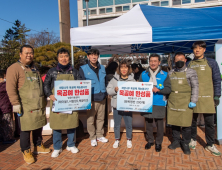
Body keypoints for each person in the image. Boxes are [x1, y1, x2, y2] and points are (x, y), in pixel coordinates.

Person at [6, 45, 50, 164]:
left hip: (37, 103)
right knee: (25, 129)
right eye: (26, 53)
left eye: (31, 53)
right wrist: (15, 103)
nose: (29, 55)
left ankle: (38, 145)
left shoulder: (34, 68)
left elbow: (40, 84)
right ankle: (25, 150)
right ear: (20, 54)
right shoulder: (14, 68)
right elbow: (10, 88)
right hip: (25, 105)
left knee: (38, 125)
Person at [43, 48, 79, 157]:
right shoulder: (52, 71)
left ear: (69, 57)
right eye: (61, 56)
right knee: (57, 125)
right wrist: (49, 94)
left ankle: (71, 144)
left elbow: (81, 85)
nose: (64, 58)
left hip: (71, 102)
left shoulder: (75, 71)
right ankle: (57, 147)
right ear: (58, 58)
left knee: (71, 124)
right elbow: (46, 85)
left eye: (66, 56)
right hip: (57, 102)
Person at [187, 41, 221, 156]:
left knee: (210, 123)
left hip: (208, 97)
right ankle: (193, 139)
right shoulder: (189, 64)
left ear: (204, 50)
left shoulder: (211, 62)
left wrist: (217, 95)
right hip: (193, 98)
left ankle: (210, 144)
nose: (197, 50)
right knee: (192, 121)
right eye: (195, 48)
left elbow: (217, 80)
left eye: (200, 48)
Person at [167, 52, 199, 155]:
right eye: (177, 60)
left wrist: (193, 101)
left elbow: (195, 87)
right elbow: (167, 87)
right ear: (174, 61)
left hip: (186, 101)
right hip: (173, 101)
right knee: (174, 123)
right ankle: (176, 141)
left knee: (186, 124)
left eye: (181, 59)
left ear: (185, 60)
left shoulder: (191, 72)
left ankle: (185, 143)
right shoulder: (170, 72)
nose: (179, 61)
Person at [139, 54, 171, 152]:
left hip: (159, 103)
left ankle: (158, 143)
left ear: (159, 62)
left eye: (155, 61)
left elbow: (168, 89)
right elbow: (139, 87)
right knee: (148, 123)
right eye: (151, 61)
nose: (153, 63)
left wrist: (158, 90)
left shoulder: (165, 74)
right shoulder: (143, 74)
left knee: (159, 125)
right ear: (149, 62)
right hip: (146, 103)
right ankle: (150, 141)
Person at [78, 48, 108, 146]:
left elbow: (105, 81)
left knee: (101, 118)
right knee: (90, 119)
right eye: (91, 55)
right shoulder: (83, 68)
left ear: (98, 56)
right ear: (88, 56)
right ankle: (92, 137)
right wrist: (87, 99)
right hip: (91, 98)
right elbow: (81, 85)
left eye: (95, 55)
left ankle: (99, 135)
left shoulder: (102, 68)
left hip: (102, 97)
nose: (94, 57)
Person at [107, 60, 135, 148]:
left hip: (128, 106)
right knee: (117, 124)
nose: (124, 69)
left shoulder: (132, 80)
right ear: (119, 68)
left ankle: (129, 139)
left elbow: (136, 92)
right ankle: (117, 139)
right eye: (122, 67)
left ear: (128, 69)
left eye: (126, 67)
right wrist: (114, 90)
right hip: (117, 106)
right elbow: (108, 90)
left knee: (129, 124)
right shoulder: (114, 79)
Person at [0, 70, 16, 144]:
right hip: (5, 107)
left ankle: (2, 137)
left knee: (2, 123)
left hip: (1, 107)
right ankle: (7, 138)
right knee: (7, 124)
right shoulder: (4, 85)